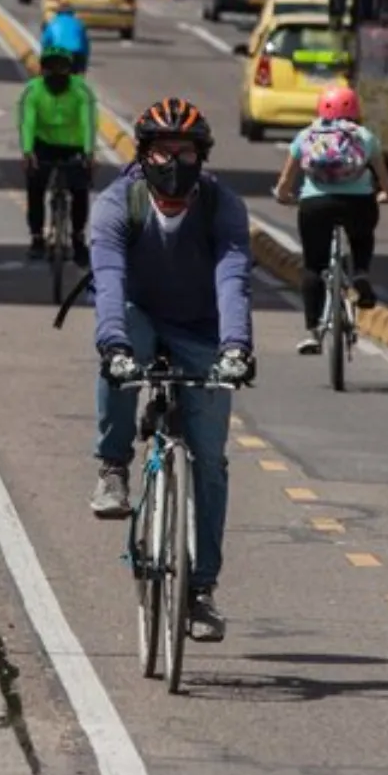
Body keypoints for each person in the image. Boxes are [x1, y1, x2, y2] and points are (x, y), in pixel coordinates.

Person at [90, 98, 256, 643]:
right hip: (137, 316)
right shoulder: (119, 203)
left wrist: (236, 347)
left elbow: (233, 277)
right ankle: (113, 466)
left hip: (202, 328)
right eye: (163, 152)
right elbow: (109, 279)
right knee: (120, 356)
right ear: (143, 155)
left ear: (201, 156)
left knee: (210, 460)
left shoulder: (221, 206)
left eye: (185, 152)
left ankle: (201, 591)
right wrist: (114, 347)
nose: (174, 163)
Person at [271, 85, 388, 352]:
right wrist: (387, 194)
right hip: (358, 204)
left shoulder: (305, 136)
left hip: (315, 205)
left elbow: (285, 181)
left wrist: (284, 196)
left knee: (313, 266)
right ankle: (360, 272)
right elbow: (384, 178)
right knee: (362, 236)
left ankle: (314, 332)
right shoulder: (364, 136)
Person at [19, 49, 97, 263]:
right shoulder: (32, 91)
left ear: (70, 70)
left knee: (80, 189)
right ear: (42, 70)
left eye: (61, 67)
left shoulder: (81, 90)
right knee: (35, 185)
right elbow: (27, 123)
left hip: (74, 146)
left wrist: (89, 153)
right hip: (43, 144)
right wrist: (27, 152)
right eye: (50, 68)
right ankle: (37, 237)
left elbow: (88, 122)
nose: (56, 72)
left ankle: (78, 238)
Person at [39, 2, 92, 76]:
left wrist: (42, 61)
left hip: (58, 53)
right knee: (76, 77)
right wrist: (84, 65)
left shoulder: (52, 22)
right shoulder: (79, 23)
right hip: (76, 54)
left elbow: (45, 42)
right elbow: (85, 45)